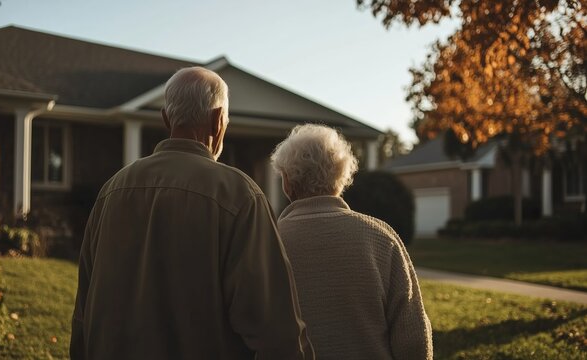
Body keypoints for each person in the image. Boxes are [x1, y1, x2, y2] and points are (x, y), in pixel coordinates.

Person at [70, 67, 314, 360]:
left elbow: (83, 314)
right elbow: (276, 329)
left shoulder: (112, 190)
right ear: (217, 121)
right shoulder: (239, 194)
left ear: (166, 118)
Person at [270, 124, 433, 360]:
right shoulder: (381, 238)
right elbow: (413, 340)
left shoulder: (266, 242)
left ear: (286, 182)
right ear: (342, 177)